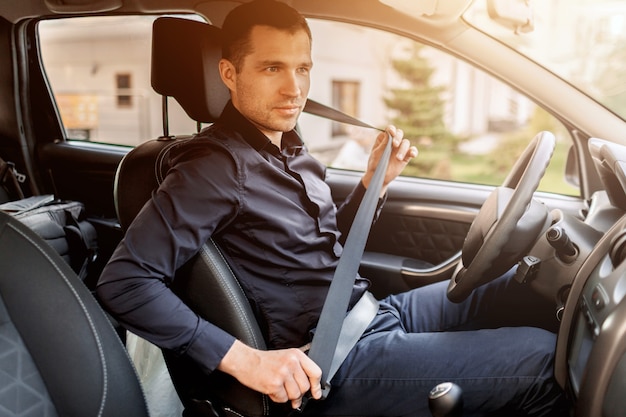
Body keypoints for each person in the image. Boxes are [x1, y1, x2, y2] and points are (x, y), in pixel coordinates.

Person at [96, 1, 569, 415]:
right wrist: (249, 361)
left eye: (302, 68)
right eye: (271, 68)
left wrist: (372, 185)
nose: (293, 88)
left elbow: (317, 246)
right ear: (228, 74)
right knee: (541, 358)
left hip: (368, 314)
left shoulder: (289, 149)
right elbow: (124, 282)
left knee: (521, 286)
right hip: (333, 364)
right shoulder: (212, 168)